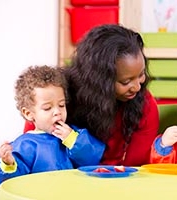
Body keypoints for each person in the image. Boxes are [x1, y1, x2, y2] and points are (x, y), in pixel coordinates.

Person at [62, 24, 159, 166]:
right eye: (126, 82)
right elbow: (34, 145)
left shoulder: (145, 103)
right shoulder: (58, 96)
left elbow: (134, 166)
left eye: (141, 74)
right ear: (98, 80)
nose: (137, 87)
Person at [0, 65, 105, 185]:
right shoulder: (25, 144)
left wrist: (73, 140)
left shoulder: (72, 135)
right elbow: (11, 183)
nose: (57, 112)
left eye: (61, 105)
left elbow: (92, 159)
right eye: (47, 108)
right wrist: (8, 164)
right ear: (28, 114)